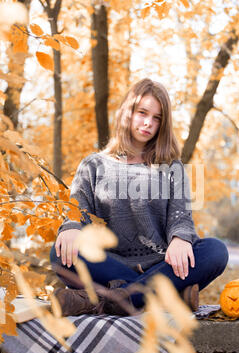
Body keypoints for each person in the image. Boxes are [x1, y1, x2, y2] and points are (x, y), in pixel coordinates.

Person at [50, 78, 229, 317]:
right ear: (127, 112)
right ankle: (163, 297)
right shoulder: (93, 164)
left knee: (215, 251)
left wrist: (180, 238)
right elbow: (76, 210)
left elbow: (181, 216)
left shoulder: (171, 167)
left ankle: (111, 300)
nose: (148, 123)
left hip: (163, 265)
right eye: (142, 112)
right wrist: (71, 226)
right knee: (60, 254)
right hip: (108, 264)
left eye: (157, 118)